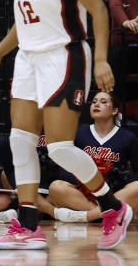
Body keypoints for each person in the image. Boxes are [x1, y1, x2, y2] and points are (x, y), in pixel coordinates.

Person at [0, 0, 130, 250]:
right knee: (20, 140)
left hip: (64, 56)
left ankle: (113, 208)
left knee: (60, 147)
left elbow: (98, 9)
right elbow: (24, 20)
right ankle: (29, 225)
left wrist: (103, 60)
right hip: (28, 59)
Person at [37, 92, 138, 223]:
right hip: (83, 194)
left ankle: (88, 216)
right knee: (56, 187)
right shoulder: (78, 132)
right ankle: (108, 213)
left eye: (103, 102)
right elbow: (65, 165)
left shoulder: (128, 137)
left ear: (114, 110)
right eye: (94, 101)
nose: (96, 104)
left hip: (114, 194)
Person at [109, 0, 138, 83]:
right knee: (117, 56)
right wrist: (126, 22)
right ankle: (118, 101)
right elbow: (115, 8)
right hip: (123, 46)